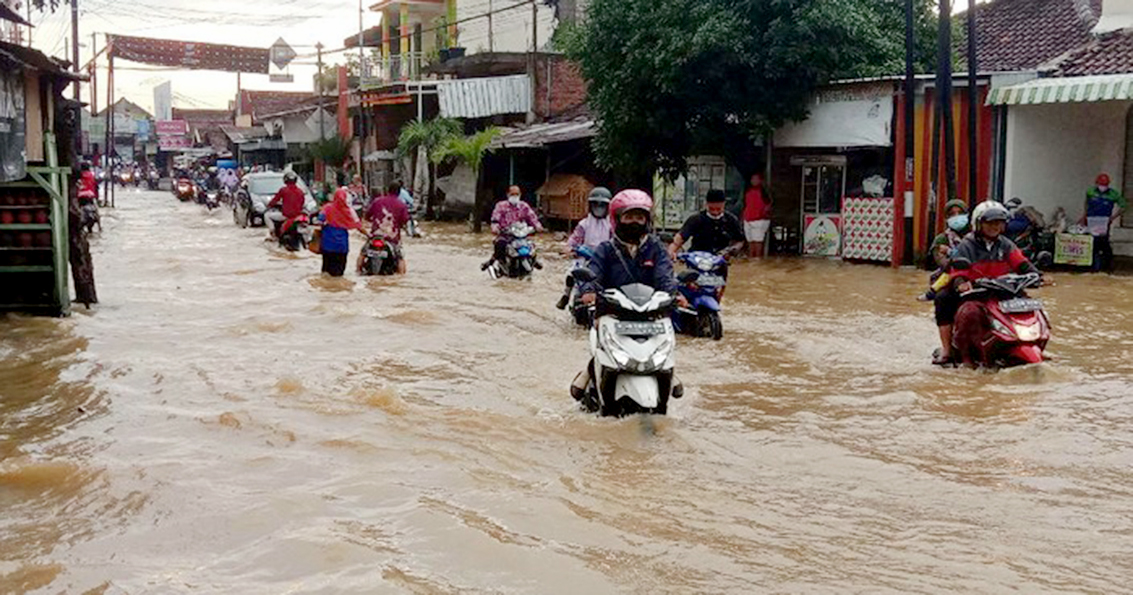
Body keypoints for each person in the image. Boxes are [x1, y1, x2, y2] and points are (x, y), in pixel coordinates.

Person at [571, 189, 685, 400]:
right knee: (601, 346)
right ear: (617, 218)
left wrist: (673, 295)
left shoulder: (656, 249)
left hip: (652, 313)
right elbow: (593, 273)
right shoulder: (606, 249)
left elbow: (665, 276)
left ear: (647, 220)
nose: (634, 222)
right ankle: (589, 371)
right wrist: (588, 291)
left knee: (666, 346)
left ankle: (669, 372)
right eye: (629, 216)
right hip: (613, 312)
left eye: (640, 217)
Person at [934, 201, 1039, 365]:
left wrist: (1038, 275)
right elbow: (958, 271)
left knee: (1031, 306)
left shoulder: (1006, 244)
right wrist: (962, 282)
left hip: (1003, 291)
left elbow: (1021, 262)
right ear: (978, 224)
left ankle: (1034, 343)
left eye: (998, 222)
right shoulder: (967, 245)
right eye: (989, 222)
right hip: (977, 294)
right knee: (967, 311)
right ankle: (955, 353)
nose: (994, 226)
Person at [667, 189, 745, 298]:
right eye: (711, 209)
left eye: (719, 209)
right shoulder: (696, 219)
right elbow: (679, 239)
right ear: (706, 204)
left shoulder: (731, 220)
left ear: (724, 204)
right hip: (696, 262)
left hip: (719, 262)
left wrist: (732, 250)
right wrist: (671, 252)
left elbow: (740, 240)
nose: (715, 212)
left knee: (717, 294)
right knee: (692, 291)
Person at [556, 187, 613, 310]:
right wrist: (569, 247)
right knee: (571, 273)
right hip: (585, 256)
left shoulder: (612, 225)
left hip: (605, 258)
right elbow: (575, 238)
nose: (599, 208)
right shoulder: (584, 223)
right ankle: (566, 295)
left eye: (602, 205)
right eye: (596, 204)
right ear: (590, 206)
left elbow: (616, 240)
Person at [483, 185, 544, 270]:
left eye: (517, 194)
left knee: (531, 245)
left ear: (520, 195)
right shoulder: (501, 206)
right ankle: (492, 261)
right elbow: (495, 219)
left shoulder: (524, 206)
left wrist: (538, 226)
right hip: (506, 235)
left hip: (521, 235)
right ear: (508, 194)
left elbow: (532, 218)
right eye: (512, 194)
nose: (515, 196)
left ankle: (534, 260)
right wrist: (495, 228)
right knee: (500, 244)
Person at [1079, 173, 1127, 273]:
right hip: (1091, 220)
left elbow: (1123, 206)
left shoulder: (1113, 194)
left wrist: (1113, 218)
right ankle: (1092, 266)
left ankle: (1107, 266)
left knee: (1104, 243)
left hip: (1104, 221)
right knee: (1092, 243)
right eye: (1101, 184)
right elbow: (1086, 204)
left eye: (1104, 185)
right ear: (1096, 183)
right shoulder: (1090, 191)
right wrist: (1084, 217)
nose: (1102, 187)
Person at [364, 182, 411, 274]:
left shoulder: (377, 201)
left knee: (363, 253)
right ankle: (401, 278)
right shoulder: (401, 205)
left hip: (375, 236)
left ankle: (358, 271)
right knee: (400, 258)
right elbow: (405, 220)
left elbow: (367, 216)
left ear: (387, 191)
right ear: (398, 193)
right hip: (392, 238)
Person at [318, 187, 365, 277]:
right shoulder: (348, 211)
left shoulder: (327, 208)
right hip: (341, 247)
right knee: (339, 274)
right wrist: (369, 235)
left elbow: (319, 221)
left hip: (327, 246)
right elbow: (358, 226)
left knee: (326, 273)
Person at [266, 171, 306, 238]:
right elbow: (302, 203)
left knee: (267, 215)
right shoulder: (300, 191)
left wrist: (269, 205)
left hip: (286, 215)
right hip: (297, 215)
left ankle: (272, 232)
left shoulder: (283, 190)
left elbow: (275, 200)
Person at [742, 173, 772, 257]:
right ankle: (751, 259)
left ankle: (757, 259)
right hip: (748, 218)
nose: (754, 181)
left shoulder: (764, 191)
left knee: (757, 241)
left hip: (759, 219)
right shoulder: (747, 190)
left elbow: (769, 204)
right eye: (752, 179)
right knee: (750, 241)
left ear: (760, 180)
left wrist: (763, 213)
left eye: (756, 179)